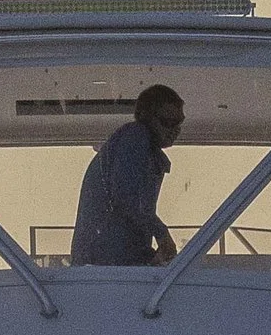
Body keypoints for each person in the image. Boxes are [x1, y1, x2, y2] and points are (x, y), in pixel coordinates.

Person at [71, 83, 186, 265]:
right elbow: (125, 197)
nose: (174, 130)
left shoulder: (141, 146)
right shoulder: (135, 135)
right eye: (167, 122)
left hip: (109, 263)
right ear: (147, 118)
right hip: (104, 265)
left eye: (178, 123)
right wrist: (162, 234)